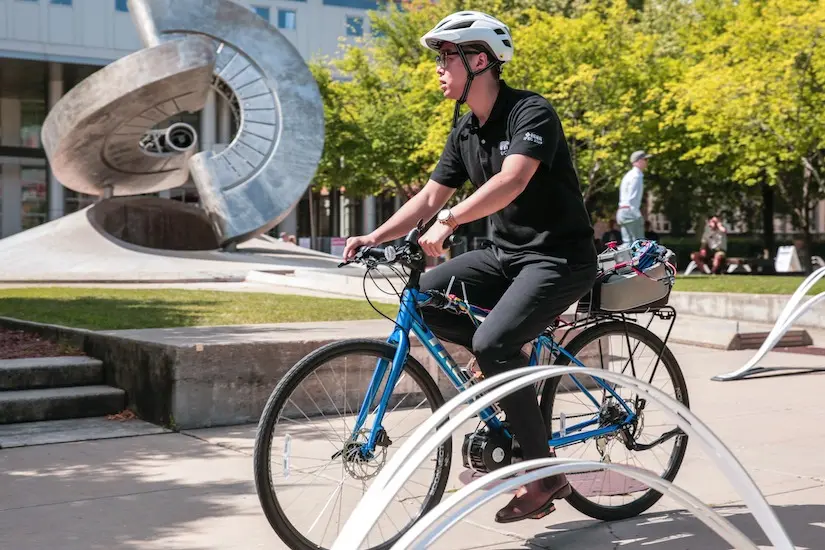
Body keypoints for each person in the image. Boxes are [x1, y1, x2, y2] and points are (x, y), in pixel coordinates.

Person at [343, 11, 597, 524]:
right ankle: (506, 361)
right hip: (505, 255)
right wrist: (375, 236)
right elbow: (430, 196)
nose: (438, 69)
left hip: (558, 257)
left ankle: (546, 476)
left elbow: (513, 179)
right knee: (422, 299)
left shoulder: (532, 112)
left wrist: (451, 221)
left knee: (491, 344)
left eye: (445, 58)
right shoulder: (465, 129)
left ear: (479, 60)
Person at [616, 150, 652, 245]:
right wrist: (637, 215)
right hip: (630, 212)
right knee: (640, 245)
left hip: (622, 212)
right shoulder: (636, 176)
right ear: (638, 161)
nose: (647, 162)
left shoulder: (629, 175)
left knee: (628, 244)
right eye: (645, 159)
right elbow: (633, 198)